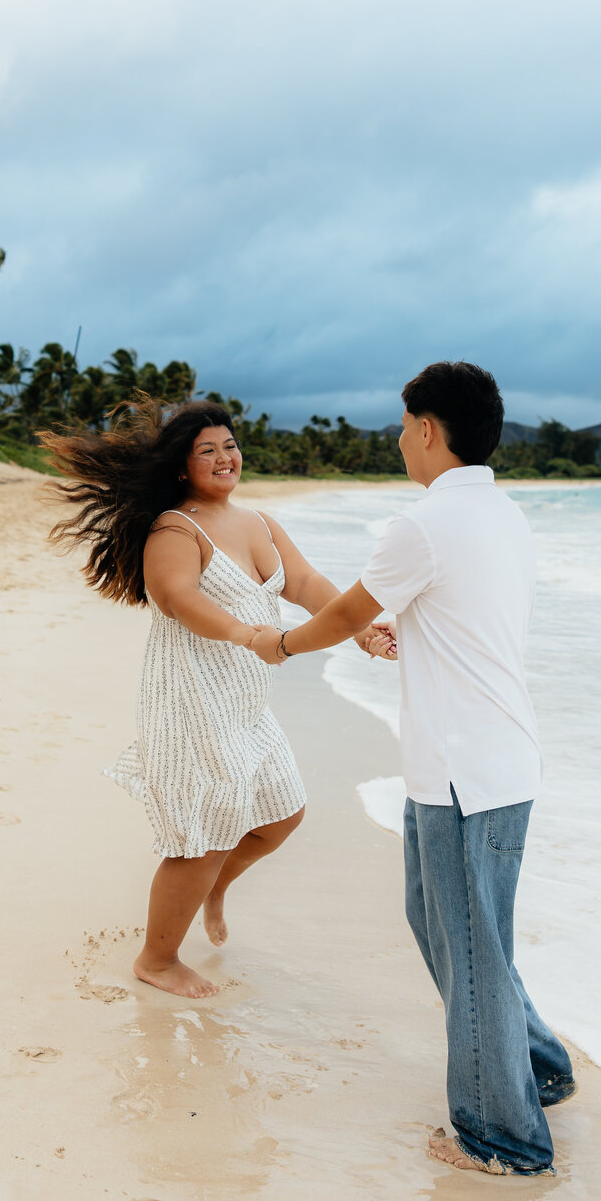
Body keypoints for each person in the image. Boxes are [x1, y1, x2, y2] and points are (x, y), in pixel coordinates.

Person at [250, 361, 574, 1177]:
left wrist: (278, 643)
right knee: (449, 930)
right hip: (481, 762)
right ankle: (537, 1064)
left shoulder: (424, 526)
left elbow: (350, 611)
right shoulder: (503, 516)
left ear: (429, 429)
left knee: (469, 951)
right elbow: (446, 616)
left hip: (466, 774)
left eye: (402, 426)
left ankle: (504, 1137)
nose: (399, 441)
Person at [44, 399, 388, 1000]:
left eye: (229, 445)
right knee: (202, 834)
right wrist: (252, 635)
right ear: (182, 467)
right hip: (190, 698)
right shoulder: (175, 528)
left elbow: (305, 583)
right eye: (207, 450)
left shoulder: (260, 522)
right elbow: (176, 596)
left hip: (245, 699)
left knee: (281, 814)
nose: (224, 457)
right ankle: (157, 958)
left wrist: (357, 628)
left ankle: (213, 888)